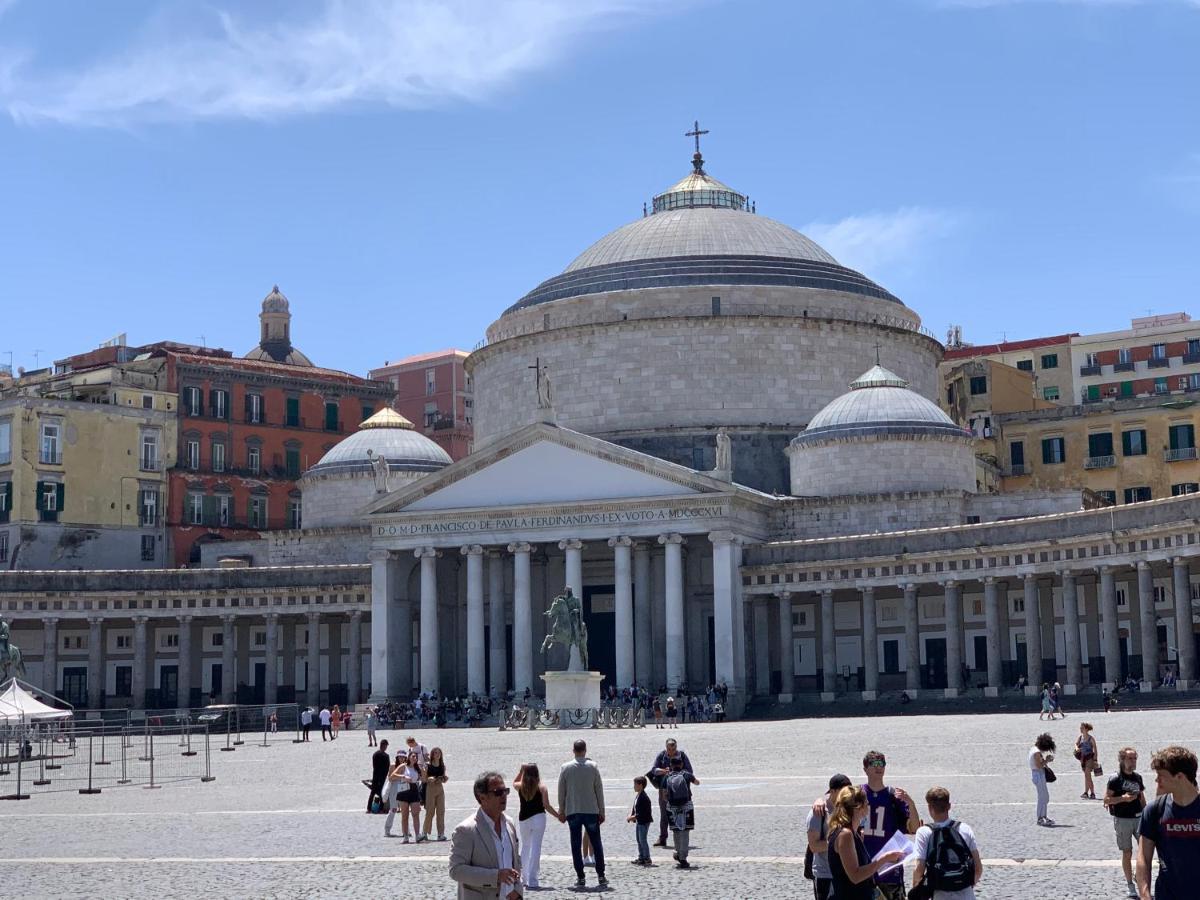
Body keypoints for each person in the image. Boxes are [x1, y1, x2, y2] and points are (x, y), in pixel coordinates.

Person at [1137, 745, 1200, 900]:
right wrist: (1145, 894)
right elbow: (1143, 857)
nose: (1156, 779)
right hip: (1167, 895)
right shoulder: (1154, 810)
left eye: (1161, 775)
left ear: (1179, 777)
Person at [448, 770, 523, 900]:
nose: (504, 796)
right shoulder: (466, 830)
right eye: (498, 792)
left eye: (505, 791)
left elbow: (516, 861)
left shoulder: (509, 824)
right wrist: (496, 876)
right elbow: (456, 870)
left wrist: (517, 890)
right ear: (482, 797)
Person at [858, 750, 920, 900]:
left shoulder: (894, 796)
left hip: (890, 872)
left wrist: (910, 804)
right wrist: (819, 802)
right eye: (874, 764)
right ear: (865, 768)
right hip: (862, 870)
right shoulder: (857, 793)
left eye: (882, 764)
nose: (879, 768)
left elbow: (914, 828)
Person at [826, 786, 905, 900]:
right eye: (867, 803)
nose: (869, 807)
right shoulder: (845, 835)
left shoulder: (854, 833)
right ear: (859, 807)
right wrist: (884, 859)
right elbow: (855, 876)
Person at [911, 786, 983, 900]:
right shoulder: (964, 829)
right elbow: (978, 868)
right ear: (949, 806)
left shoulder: (924, 832)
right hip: (966, 894)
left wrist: (916, 892)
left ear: (929, 807)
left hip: (940, 894)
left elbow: (919, 868)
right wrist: (965, 884)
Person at [558, 738, 608, 888]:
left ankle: (580, 876)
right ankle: (601, 875)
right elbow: (599, 790)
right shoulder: (593, 766)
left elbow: (562, 791)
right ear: (585, 750)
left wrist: (562, 809)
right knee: (597, 843)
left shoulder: (565, 767)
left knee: (575, 844)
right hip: (591, 810)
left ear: (573, 751)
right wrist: (602, 810)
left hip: (573, 810)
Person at [1104, 746, 1146, 899]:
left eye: (1135, 758)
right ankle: (1130, 885)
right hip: (1122, 820)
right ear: (1122, 760)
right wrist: (1123, 798)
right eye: (1130, 758)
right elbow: (1106, 800)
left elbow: (1142, 797)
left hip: (1139, 818)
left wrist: (1147, 814)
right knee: (1127, 852)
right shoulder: (1115, 779)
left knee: (1144, 851)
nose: (1133, 761)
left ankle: (1139, 875)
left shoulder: (1138, 778)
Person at [514, 762, 563, 889]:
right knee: (536, 848)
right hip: (539, 818)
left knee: (525, 847)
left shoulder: (520, 786)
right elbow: (546, 805)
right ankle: (533, 879)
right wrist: (558, 815)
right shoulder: (541, 787)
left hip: (524, 818)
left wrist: (521, 771)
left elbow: (514, 782)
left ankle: (524, 878)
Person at [807, 774, 852, 900]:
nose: (847, 795)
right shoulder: (818, 813)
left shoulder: (848, 810)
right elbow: (814, 846)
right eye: (843, 791)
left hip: (845, 874)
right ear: (832, 791)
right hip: (825, 875)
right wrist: (838, 842)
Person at [650, 738, 694, 848]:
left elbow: (690, 771)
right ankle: (662, 838)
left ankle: (681, 838)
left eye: (673, 748)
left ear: (676, 747)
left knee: (682, 813)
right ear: (666, 748)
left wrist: (679, 772)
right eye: (669, 749)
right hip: (665, 790)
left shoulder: (682, 756)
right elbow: (654, 770)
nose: (671, 751)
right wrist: (664, 771)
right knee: (664, 815)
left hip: (681, 790)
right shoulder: (662, 756)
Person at [663, 755, 700, 868]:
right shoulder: (686, 774)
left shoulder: (667, 776)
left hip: (672, 806)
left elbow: (664, 794)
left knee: (676, 831)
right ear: (681, 764)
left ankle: (677, 852)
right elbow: (697, 782)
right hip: (686, 805)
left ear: (671, 765)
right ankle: (683, 857)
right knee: (685, 831)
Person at [391, 749, 426, 843]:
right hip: (404, 790)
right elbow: (392, 776)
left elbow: (423, 779)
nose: (415, 758)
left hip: (414, 790)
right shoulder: (403, 766)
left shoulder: (417, 767)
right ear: (409, 757)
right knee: (405, 815)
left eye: (416, 757)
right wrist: (403, 777)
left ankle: (417, 835)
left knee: (416, 814)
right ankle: (405, 836)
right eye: (413, 756)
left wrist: (423, 770)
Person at [423, 746, 449, 841]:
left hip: (439, 788)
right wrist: (429, 778)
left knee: (441, 811)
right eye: (435, 753)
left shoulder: (442, 765)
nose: (437, 755)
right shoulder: (428, 765)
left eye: (439, 753)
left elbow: (443, 776)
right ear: (432, 754)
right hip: (430, 788)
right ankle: (425, 832)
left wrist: (444, 778)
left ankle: (440, 833)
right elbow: (423, 779)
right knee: (430, 811)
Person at [1030, 732, 1056, 826]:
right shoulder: (1036, 753)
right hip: (1038, 775)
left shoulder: (1034, 749)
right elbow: (1039, 765)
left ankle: (1044, 816)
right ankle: (1040, 818)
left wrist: (1046, 760)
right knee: (1042, 797)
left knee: (1044, 796)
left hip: (1039, 774)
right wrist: (1046, 760)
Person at [628, 775, 654, 866]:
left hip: (644, 821)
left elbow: (643, 812)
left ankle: (647, 858)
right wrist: (632, 815)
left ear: (641, 785)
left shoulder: (644, 797)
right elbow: (635, 807)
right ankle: (641, 857)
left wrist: (633, 817)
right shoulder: (638, 795)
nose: (634, 786)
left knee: (643, 840)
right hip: (639, 821)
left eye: (635, 784)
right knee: (639, 840)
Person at [1075, 722, 1099, 799]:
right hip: (1082, 759)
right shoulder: (1080, 737)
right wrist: (1077, 748)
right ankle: (1086, 793)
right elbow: (1076, 744)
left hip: (1089, 759)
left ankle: (1092, 793)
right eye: (1080, 728)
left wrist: (1095, 760)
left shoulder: (1091, 738)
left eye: (1082, 728)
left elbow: (1095, 749)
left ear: (1086, 729)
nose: (1080, 729)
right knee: (1086, 776)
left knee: (1088, 776)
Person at [369, 739, 391, 814]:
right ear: (384, 746)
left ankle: (368, 808)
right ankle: (381, 809)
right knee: (382, 793)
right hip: (383, 777)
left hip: (375, 776)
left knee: (372, 793)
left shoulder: (375, 754)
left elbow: (374, 766)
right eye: (386, 746)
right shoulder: (386, 756)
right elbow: (388, 768)